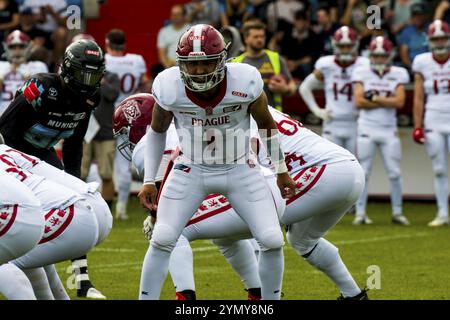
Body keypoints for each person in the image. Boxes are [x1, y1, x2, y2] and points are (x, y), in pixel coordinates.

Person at [121, 93, 368, 300]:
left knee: (178, 226)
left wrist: (160, 213)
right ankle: (353, 295)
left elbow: (251, 163)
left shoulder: (229, 113)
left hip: (317, 173)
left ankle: (189, 299)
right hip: (345, 169)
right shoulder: (244, 102)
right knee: (302, 241)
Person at [138, 24, 296, 300]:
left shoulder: (245, 80)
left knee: (271, 240)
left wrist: (280, 169)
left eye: (206, 62)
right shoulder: (169, 85)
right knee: (162, 237)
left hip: (239, 166)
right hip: (191, 167)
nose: (198, 71)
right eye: (192, 64)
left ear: (222, 59)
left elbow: (267, 125)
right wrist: (149, 179)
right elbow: (157, 131)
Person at [0, 39, 106, 298]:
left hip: (44, 154)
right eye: (83, 73)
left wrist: (72, 177)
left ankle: (82, 281)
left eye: (94, 75)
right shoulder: (43, 87)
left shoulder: (92, 97)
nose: (88, 81)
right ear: (68, 69)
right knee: (29, 215)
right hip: (17, 152)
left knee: (78, 202)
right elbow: (6, 126)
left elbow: (74, 142)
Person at [352, 36, 410, 225]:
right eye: (376, 56)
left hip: (388, 129)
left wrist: (375, 98)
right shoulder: (361, 72)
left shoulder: (398, 73)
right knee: (364, 172)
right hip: (366, 128)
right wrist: (386, 100)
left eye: (382, 56)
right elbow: (359, 102)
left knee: (394, 172)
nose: (379, 60)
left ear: (389, 55)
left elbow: (400, 102)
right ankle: (360, 213)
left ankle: (397, 212)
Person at [299, 26, 369, 155]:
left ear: (355, 45)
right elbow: (305, 88)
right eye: (342, 46)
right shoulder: (326, 65)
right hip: (332, 122)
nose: (345, 49)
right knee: (330, 165)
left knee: (356, 167)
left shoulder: (364, 64)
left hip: (356, 122)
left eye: (349, 46)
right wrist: (317, 110)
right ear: (335, 45)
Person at [105, 28, 150, 220]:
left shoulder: (105, 60)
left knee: (112, 165)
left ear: (107, 43)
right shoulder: (137, 60)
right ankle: (121, 208)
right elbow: (145, 83)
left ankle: (114, 205)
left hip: (108, 114)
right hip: (132, 115)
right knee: (124, 163)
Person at [412, 20, 450, 227]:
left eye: (443, 38)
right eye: (436, 38)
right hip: (434, 118)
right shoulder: (422, 61)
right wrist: (418, 125)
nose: (440, 42)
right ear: (429, 40)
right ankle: (443, 212)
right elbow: (418, 97)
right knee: (439, 169)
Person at [231, 20, 297, 111]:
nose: (260, 40)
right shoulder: (237, 63)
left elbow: (292, 86)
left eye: (262, 36)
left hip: (274, 116)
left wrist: (285, 89)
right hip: (247, 117)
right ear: (246, 39)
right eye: (255, 37)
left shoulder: (276, 58)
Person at [81, 69, 120, 211]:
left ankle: (107, 211)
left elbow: (112, 95)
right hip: (84, 132)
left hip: (105, 132)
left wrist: (100, 82)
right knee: (79, 173)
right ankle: (78, 207)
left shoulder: (111, 76)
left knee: (106, 174)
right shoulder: (80, 74)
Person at [0, 30, 48, 117]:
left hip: (27, 117)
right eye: (13, 47)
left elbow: (44, 100)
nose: (17, 51)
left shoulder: (39, 66)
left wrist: (29, 80)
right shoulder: (1, 66)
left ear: (28, 47)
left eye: (21, 46)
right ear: (6, 47)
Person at [156, 5, 191, 71]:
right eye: (173, 14)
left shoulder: (191, 30)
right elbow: (161, 54)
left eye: (178, 14)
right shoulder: (163, 31)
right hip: (169, 67)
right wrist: (167, 66)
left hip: (188, 67)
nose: (175, 17)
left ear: (184, 16)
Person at [398, 2, 430, 70]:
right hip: (412, 67)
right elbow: (404, 54)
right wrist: (413, 68)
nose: (417, 18)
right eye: (414, 15)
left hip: (430, 66)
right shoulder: (407, 32)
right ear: (411, 17)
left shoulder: (430, 30)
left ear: (425, 15)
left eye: (420, 15)